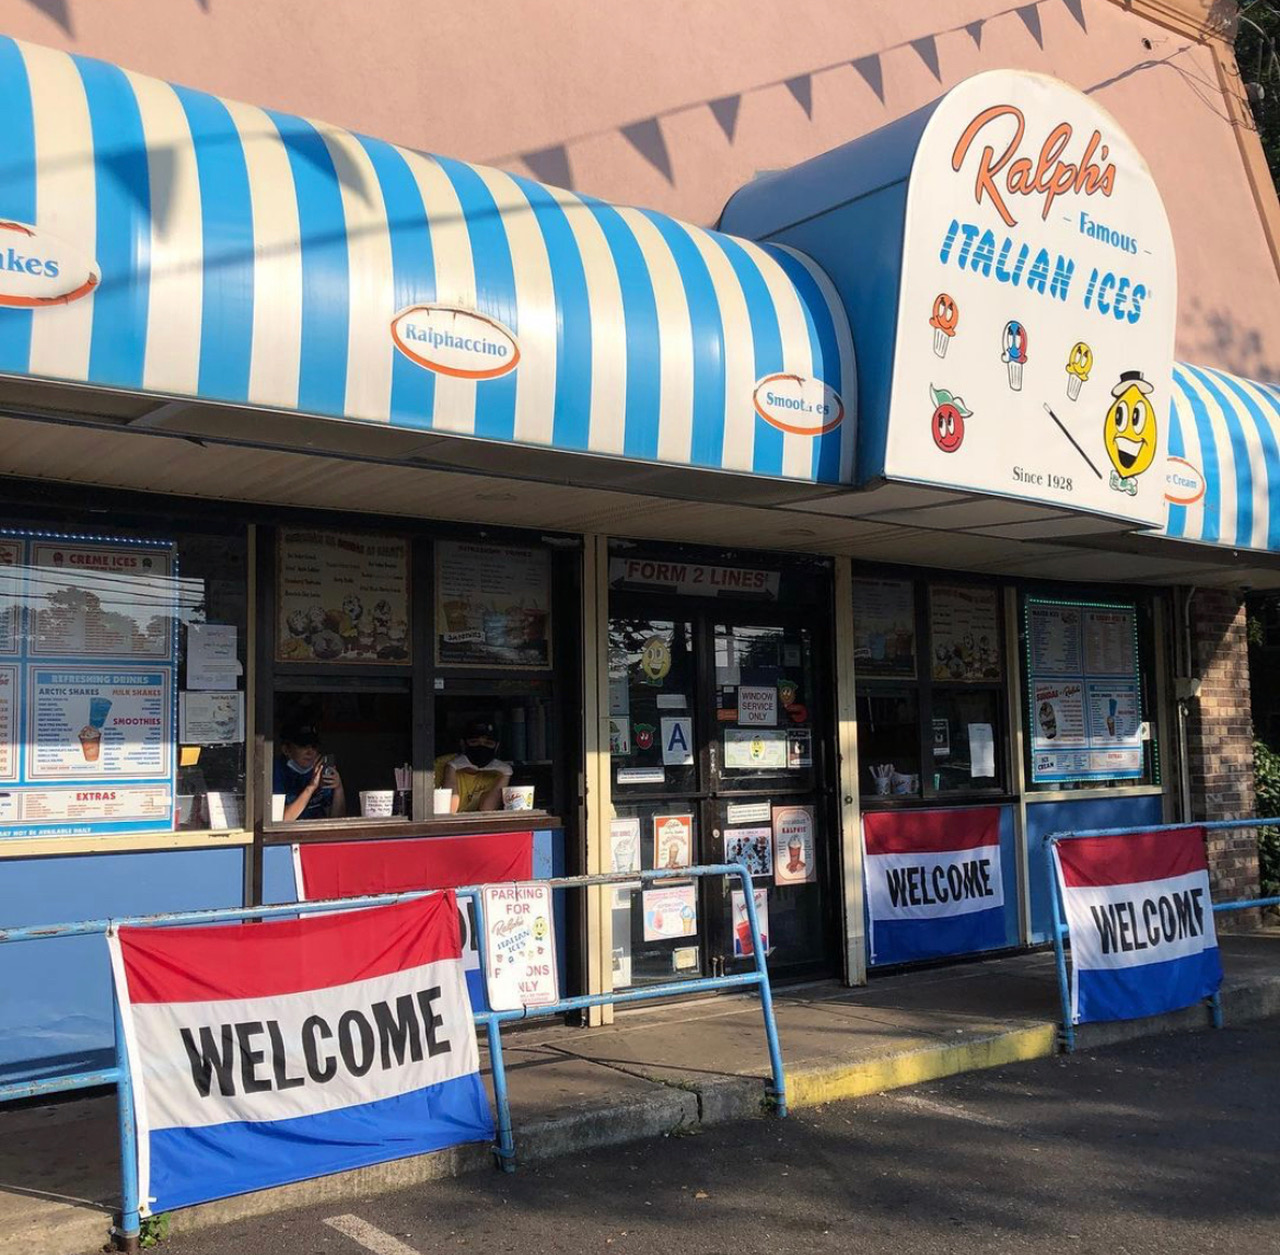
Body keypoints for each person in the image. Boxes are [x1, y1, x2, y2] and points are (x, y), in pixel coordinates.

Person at [434, 719, 512, 812]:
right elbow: (448, 810)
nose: (481, 747)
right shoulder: (441, 764)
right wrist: (451, 768)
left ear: (496, 747)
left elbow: (487, 809)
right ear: (463, 743)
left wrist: (506, 774)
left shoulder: (496, 772)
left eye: (488, 743)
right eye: (474, 742)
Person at [274, 722, 345, 821]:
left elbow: (337, 820)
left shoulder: (321, 769)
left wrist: (338, 787)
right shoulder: (277, 771)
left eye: (314, 746)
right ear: (286, 750)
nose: (310, 752)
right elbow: (281, 820)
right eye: (303, 746)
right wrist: (311, 787)